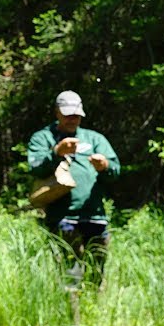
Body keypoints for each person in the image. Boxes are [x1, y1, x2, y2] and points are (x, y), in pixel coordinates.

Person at [26, 90, 120, 286]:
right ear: (57, 113)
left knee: (96, 273)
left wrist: (105, 166)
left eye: (76, 115)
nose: (72, 119)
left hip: (95, 217)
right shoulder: (44, 137)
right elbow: (35, 168)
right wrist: (56, 152)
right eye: (67, 114)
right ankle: (72, 314)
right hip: (63, 217)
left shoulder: (94, 139)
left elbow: (116, 170)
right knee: (70, 275)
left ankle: (95, 312)